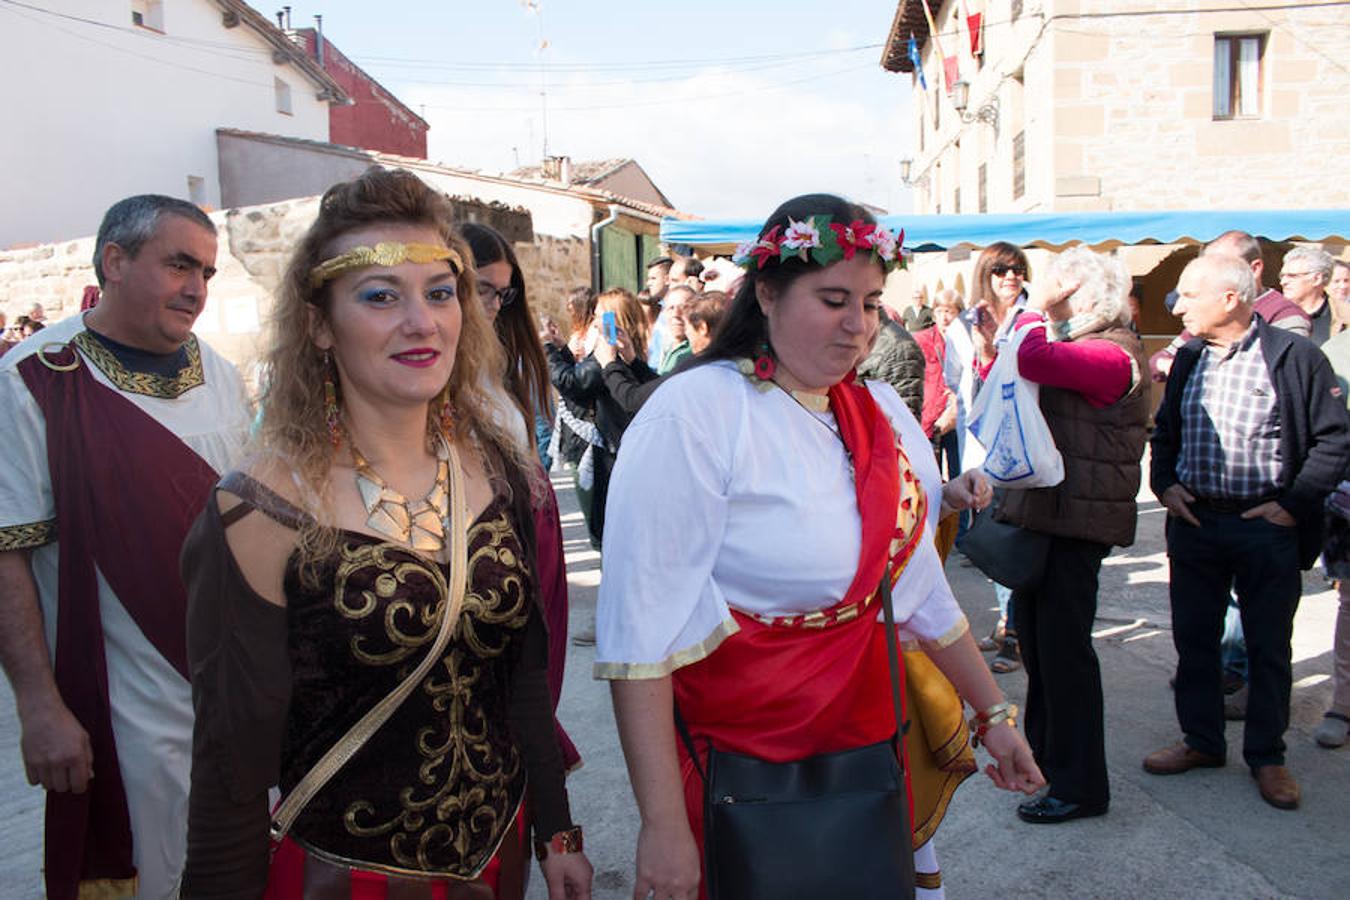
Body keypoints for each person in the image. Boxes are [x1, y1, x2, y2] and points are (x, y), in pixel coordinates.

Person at [595, 194, 1043, 900]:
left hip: (864, 737)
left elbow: (918, 585)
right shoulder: (697, 414)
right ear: (766, 294)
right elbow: (641, 633)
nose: (858, 326)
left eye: (870, 302)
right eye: (833, 299)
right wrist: (661, 825)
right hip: (736, 751)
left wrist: (992, 716)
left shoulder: (878, 408)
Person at [179, 168, 592, 898]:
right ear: (317, 324)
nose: (422, 322)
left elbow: (521, 674)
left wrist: (558, 831)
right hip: (345, 881)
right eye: (380, 297)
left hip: (498, 862)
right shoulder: (257, 512)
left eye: (440, 292)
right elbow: (228, 773)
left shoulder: (497, 469)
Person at [0, 194, 253, 899]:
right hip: (123, 710)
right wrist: (38, 707)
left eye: (206, 270)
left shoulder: (221, 374)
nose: (198, 289)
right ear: (114, 262)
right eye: (179, 265)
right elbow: (5, 554)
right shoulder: (32, 381)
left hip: (236, 690)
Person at [1144, 254, 1350, 811]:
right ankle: (1202, 741)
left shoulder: (1294, 356)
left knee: (1266, 649)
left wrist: (1292, 505)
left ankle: (1267, 756)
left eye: (1188, 295)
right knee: (1194, 641)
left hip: (1265, 527)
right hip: (1196, 523)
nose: (1178, 305)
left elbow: (1334, 440)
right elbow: (1165, 431)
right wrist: (1166, 486)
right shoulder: (1188, 357)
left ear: (1231, 299)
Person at [992, 248, 1151, 824]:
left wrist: (1035, 308)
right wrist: (1038, 314)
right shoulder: (1082, 344)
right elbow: (1009, 361)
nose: (1049, 292)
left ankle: (1082, 785)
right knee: (1039, 647)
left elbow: (1030, 359)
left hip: (1076, 526)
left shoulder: (1114, 352)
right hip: (1054, 518)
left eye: (1064, 286)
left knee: (1065, 657)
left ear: (1088, 294)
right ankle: (1045, 763)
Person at [457, 222, 582, 772]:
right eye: (482, 288)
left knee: (538, 670)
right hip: (488, 535)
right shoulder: (432, 369)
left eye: (503, 294)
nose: (493, 305)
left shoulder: (500, 362)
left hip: (535, 526)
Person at [544, 287, 656, 553]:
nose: (594, 319)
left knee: (605, 536)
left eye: (600, 315)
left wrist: (548, 349)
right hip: (615, 450)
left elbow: (572, 382)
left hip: (609, 454)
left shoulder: (610, 354)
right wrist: (563, 350)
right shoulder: (626, 350)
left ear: (615, 319)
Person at [966, 242, 1033, 672]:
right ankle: (1005, 621)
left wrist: (989, 354)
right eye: (1002, 270)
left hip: (1021, 445)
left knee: (1013, 540)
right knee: (991, 535)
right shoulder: (979, 316)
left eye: (1018, 269)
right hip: (987, 441)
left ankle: (1015, 634)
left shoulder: (1032, 318)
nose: (1011, 276)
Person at [1150, 230, 1310, 381]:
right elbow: (1159, 360)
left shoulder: (1285, 315)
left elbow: (1288, 374)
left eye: (1223, 267)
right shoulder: (1209, 313)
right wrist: (1175, 366)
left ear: (1254, 269)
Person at [915, 290, 961, 479]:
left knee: (959, 471)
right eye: (940, 311)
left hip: (956, 412)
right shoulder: (922, 340)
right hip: (931, 414)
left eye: (949, 311)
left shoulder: (965, 339)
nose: (945, 317)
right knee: (932, 474)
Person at [1278, 246, 1338, 346]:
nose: (1283, 282)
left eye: (1292, 276)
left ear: (1317, 279)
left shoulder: (1343, 317)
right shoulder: (1272, 313)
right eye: (1282, 276)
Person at [657, 284, 696, 375]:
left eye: (683, 307)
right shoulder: (669, 346)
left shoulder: (694, 351)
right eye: (671, 308)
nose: (676, 314)